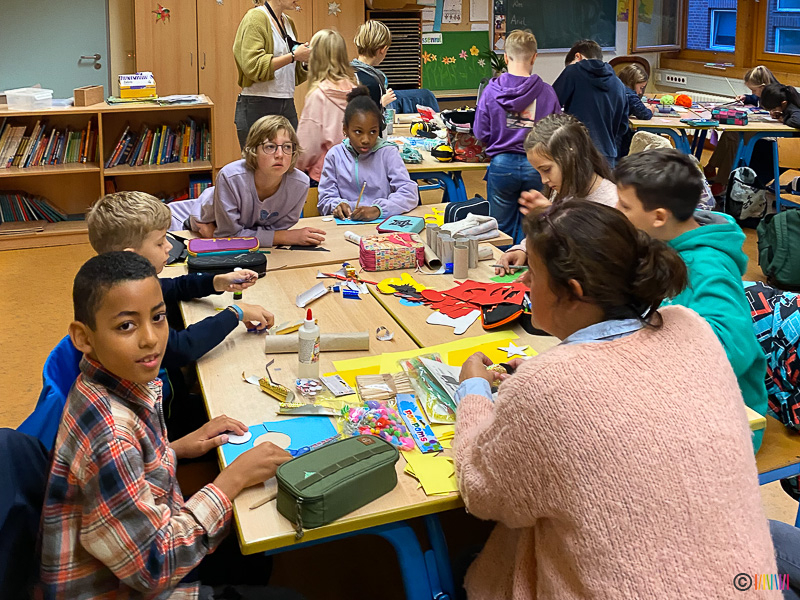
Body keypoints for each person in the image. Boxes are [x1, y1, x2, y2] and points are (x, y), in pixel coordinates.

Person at [454, 200, 777, 600]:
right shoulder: (690, 327)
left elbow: (481, 493)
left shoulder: (546, 387)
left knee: (470, 554)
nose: (525, 283)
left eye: (533, 273)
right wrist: (544, 382)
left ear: (572, 291)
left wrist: (473, 391)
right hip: (752, 584)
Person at [38, 251, 292, 599]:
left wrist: (176, 449)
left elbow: (131, 474)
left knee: (254, 555)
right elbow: (153, 568)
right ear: (83, 338)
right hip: (126, 585)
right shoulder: (111, 435)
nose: (151, 338)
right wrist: (230, 481)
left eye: (158, 317)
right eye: (126, 326)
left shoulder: (115, 381)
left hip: (140, 545)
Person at [615, 148, 769, 450]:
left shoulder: (707, 268)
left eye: (624, 206)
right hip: (679, 396)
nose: (616, 211)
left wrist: (651, 353)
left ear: (659, 217)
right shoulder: (661, 242)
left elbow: (734, 351)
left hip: (728, 423)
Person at [87, 191, 274, 439]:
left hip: (166, 399)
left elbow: (174, 287)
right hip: (162, 421)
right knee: (246, 412)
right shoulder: (124, 302)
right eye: (160, 242)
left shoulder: (120, 280)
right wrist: (235, 313)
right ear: (130, 256)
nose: (169, 247)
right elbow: (180, 348)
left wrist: (217, 281)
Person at [169, 115, 325, 247]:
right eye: (270, 146)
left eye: (287, 147)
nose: (280, 154)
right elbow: (229, 235)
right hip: (199, 222)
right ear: (253, 150)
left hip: (230, 232)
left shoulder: (300, 184)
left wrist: (230, 236)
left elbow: (275, 231)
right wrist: (286, 237)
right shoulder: (230, 177)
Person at [495, 113, 616, 274]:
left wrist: (555, 218)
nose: (543, 180)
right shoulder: (564, 190)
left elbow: (591, 261)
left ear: (572, 157)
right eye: (539, 171)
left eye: (546, 170)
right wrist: (523, 249)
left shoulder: (611, 202)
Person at [473, 29, 561, 244]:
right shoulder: (547, 92)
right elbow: (558, 132)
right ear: (534, 57)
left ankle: (502, 263)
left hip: (501, 165)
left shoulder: (491, 92)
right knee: (534, 227)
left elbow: (480, 132)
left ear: (505, 57)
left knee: (499, 230)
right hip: (538, 167)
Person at [317, 86, 418, 221]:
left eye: (373, 132)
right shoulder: (335, 155)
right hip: (345, 224)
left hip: (381, 222)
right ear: (345, 129)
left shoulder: (388, 153)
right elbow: (325, 198)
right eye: (358, 132)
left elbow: (409, 193)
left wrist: (379, 209)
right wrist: (336, 205)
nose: (366, 140)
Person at [233, 0, 312, 146]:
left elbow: (291, 73)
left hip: (286, 101)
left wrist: (306, 61)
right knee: (258, 159)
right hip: (258, 103)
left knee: (291, 155)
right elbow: (253, 66)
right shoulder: (255, 18)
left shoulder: (288, 22)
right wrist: (293, 56)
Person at [552, 39, 629, 167]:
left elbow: (551, 105)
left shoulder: (573, 71)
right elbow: (623, 126)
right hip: (607, 156)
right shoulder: (619, 84)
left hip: (577, 151)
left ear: (578, 56)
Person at [296, 29, 358, 185]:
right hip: (355, 172)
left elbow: (308, 145)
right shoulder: (357, 91)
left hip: (326, 174)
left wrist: (295, 168)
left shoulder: (318, 95)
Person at [705, 66, 780, 190]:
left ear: (763, 87)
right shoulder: (766, 92)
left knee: (734, 136)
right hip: (762, 129)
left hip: (773, 136)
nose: (753, 93)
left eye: (754, 90)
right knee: (730, 132)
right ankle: (711, 168)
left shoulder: (779, 96)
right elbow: (757, 98)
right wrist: (747, 98)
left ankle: (723, 181)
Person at [350, 21, 396, 114]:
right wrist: (381, 104)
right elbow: (370, 117)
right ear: (383, 50)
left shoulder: (346, 71)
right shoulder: (372, 82)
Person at [617, 63, 655, 157]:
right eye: (641, 87)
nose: (640, 92)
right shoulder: (629, 94)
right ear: (632, 82)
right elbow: (644, 114)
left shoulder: (617, 87)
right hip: (619, 136)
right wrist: (650, 109)